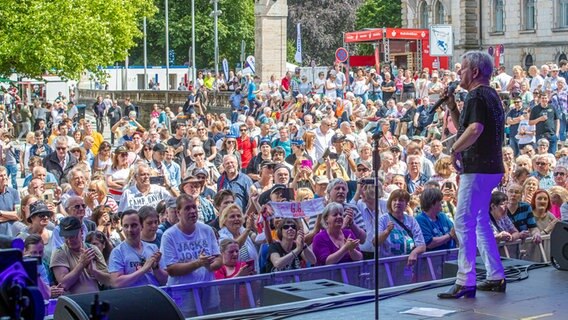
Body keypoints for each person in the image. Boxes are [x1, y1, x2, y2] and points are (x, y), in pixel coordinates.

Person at [438, 51, 507, 299]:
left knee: (463, 221)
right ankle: (496, 275)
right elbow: (467, 127)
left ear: (475, 72)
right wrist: (452, 106)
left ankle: (465, 280)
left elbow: (475, 129)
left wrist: (454, 150)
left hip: (478, 168)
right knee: (479, 221)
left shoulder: (477, 95)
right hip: (492, 167)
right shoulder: (490, 95)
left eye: (463, 68)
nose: (459, 73)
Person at [160, 194, 222, 316]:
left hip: (209, 294)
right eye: (187, 208)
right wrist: (198, 263)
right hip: (184, 298)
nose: (192, 211)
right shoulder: (169, 236)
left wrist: (211, 266)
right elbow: (171, 269)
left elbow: (219, 258)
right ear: (178, 213)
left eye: (194, 207)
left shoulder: (207, 230)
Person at [50, 216, 111, 294]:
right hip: (73, 303)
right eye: (66, 237)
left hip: (95, 300)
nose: (69, 240)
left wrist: (94, 271)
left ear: (81, 231)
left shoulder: (92, 249)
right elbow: (63, 284)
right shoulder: (59, 253)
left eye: (72, 236)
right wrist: (81, 264)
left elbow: (109, 281)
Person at [108, 210, 168, 288]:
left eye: (134, 225)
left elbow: (164, 280)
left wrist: (156, 268)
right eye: (126, 226)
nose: (130, 230)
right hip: (132, 298)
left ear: (141, 226)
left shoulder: (153, 248)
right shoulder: (117, 252)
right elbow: (116, 283)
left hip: (154, 296)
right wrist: (143, 270)